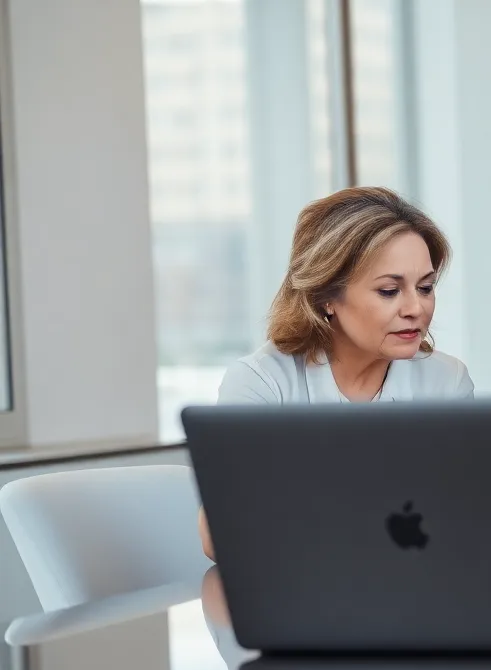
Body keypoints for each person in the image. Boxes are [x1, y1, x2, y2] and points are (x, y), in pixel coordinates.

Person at [198, 187, 473, 560]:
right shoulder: (261, 383)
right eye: (389, 291)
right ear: (327, 297)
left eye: (425, 288)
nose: (415, 308)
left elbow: (464, 519)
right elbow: (221, 537)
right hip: (298, 598)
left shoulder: (447, 381)